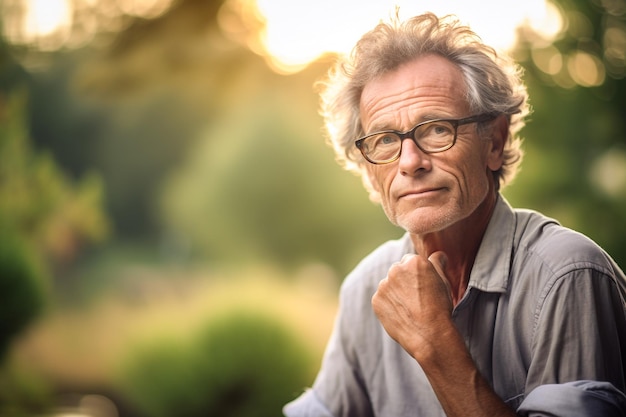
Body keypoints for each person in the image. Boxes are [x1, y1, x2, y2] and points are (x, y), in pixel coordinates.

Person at [283, 12, 626, 417]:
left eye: (436, 129)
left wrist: (437, 347)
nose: (410, 162)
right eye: (385, 139)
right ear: (369, 170)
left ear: (494, 142)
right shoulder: (365, 288)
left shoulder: (567, 275)